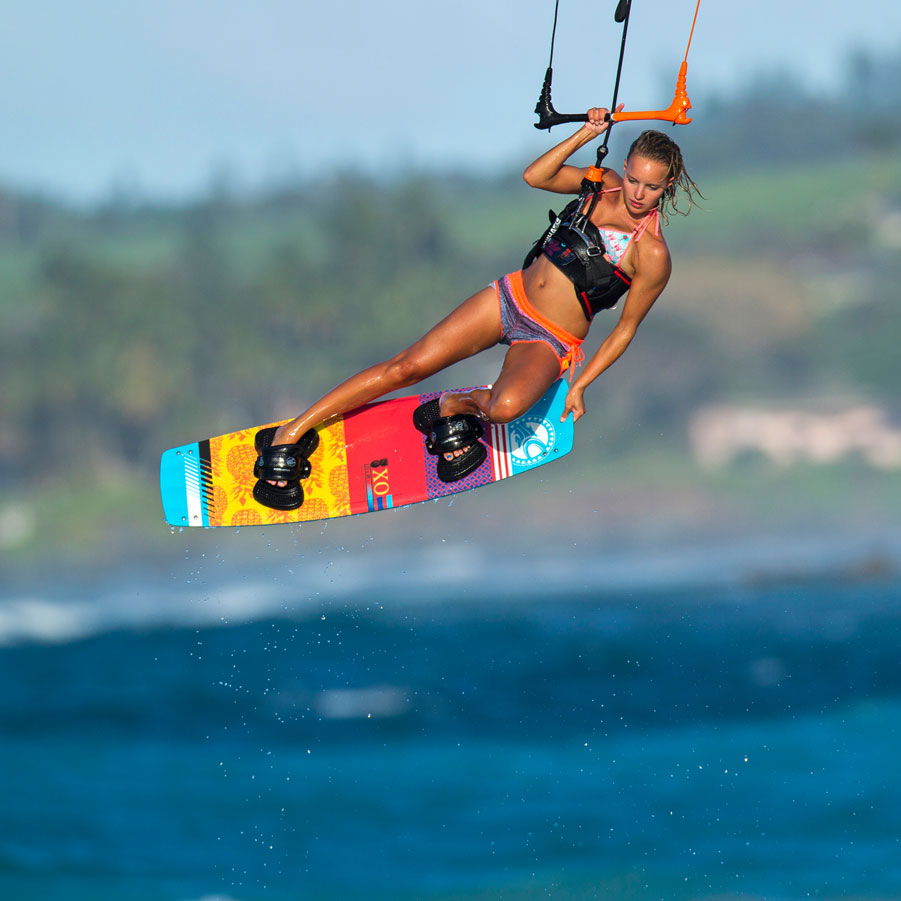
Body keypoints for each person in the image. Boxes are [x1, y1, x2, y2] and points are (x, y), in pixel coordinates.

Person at [252, 109, 701, 510]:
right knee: (405, 367)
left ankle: (454, 406)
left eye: (652, 186)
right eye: (635, 179)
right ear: (626, 167)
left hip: (548, 338)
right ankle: (292, 433)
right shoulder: (600, 185)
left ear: (668, 185)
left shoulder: (652, 254)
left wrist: (580, 384)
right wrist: (586, 133)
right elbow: (536, 177)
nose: (639, 193)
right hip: (507, 299)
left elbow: (625, 330)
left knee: (505, 408)